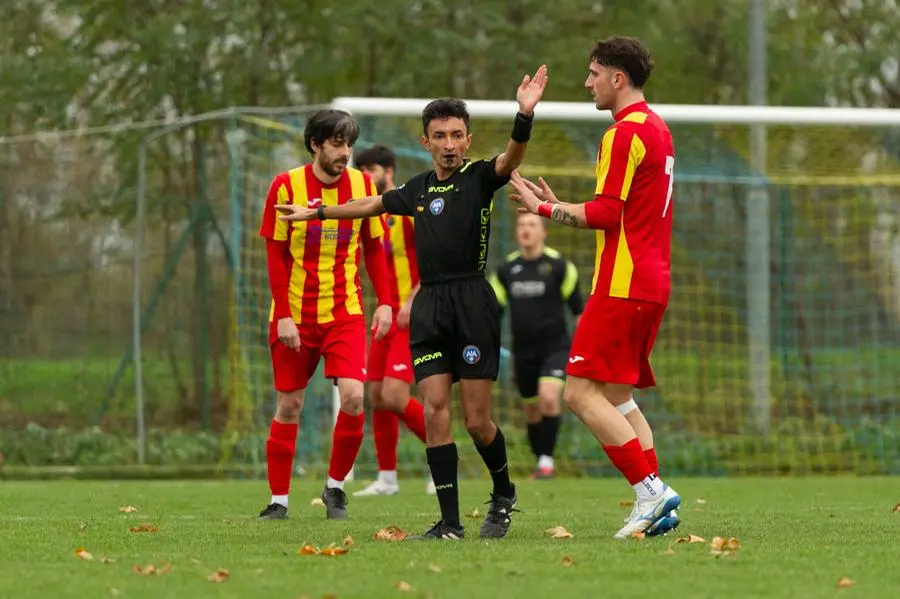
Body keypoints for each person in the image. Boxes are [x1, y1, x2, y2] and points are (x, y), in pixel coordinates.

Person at [275, 64, 549, 540]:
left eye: (457, 135)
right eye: (439, 135)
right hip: (430, 307)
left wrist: (523, 115)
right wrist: (317, 211)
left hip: (472, 303)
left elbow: (512, 156)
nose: (448, 143)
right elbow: (369, 206)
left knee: (478, 419)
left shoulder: (481, 177)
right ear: (425, 141)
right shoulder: (416, 189)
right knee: (436, 407)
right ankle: (449, 522)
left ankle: (503, 493)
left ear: (467, 140)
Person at [508, 37, 680, 539]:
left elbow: (606, 214)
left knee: (579, 393)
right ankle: (655, 501)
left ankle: (650, 493)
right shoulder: (658, 129)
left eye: (593, 74)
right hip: (651, 281)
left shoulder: (623, 134)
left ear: (617, 78)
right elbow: (622, 211)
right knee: (619, 399)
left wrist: (543, 210)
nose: (588, 83)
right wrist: (563, 204)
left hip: (623, 282)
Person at [256, 109, 394, 522]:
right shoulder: (286, 186)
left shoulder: (363, 185)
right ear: (315, 144)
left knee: (353, 398)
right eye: (336, 143)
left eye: (348, 144)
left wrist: (385, 301)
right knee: (290, 406)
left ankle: (335, 489)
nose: (345, 152)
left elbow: (374, 249)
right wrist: (283, 314)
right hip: (294, 314)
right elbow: (275, 254)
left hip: (345, 313)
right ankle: (278, 501)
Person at [351, 144, 435, 497]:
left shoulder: (411, 209)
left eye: (373, 169)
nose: (368, 176)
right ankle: (387, 479)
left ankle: (443, 454)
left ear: (389, 170)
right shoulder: (370, 215)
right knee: (375, 395)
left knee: (394, 394)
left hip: (413, 312)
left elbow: (435, 257)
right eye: (363, 170)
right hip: (386, 315)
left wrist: (414, 297)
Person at [488, 212, 583, 479]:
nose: (525, 230)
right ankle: (540, 462)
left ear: (543, 232)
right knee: (531, 410)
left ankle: (546, 462)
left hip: (556, 348)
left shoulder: (559, 266)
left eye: (531, 224)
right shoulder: (507, 270)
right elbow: (495, 313)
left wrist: (585, 349)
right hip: (523, 352)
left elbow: (579, 312)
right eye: (520, 225)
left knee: (549, 398)